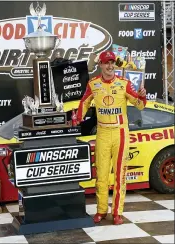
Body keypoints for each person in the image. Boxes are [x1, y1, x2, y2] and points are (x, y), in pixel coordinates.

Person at [76, 51, 147, 225]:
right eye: (106, 63)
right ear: (100, 64)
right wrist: (76, 119)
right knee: (101, 175)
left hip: (120, 133)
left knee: (119, 175)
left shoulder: (124, 83)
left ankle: (117, 212)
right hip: (102, 133)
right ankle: (101, 210)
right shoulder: (93, 84)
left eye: (112, 63)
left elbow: (139, 106)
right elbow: (84, 103)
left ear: (115, 64)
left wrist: (142, 95)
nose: (109, 66)